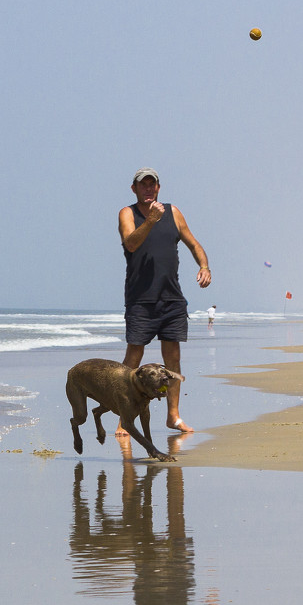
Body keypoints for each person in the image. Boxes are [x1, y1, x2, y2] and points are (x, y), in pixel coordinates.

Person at [118, 167, 211, 434]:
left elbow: (193, 243)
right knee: (132, 360)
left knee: (173, 361)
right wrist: (150, 221)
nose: (148, 189)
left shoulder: (173, 212)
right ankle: (124, 418)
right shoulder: (128, 213)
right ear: (134, 189)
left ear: (158, 188)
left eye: (152, 185)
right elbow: (131, 244)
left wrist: (204, 266)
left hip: (172, 299)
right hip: (140, 299)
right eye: (143, 185)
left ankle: (173, 416)